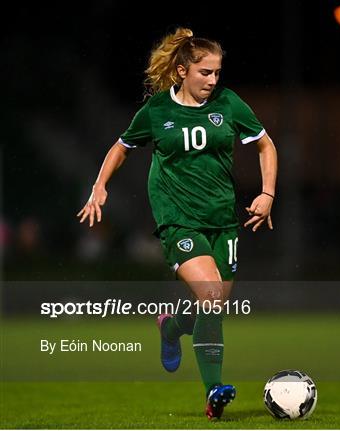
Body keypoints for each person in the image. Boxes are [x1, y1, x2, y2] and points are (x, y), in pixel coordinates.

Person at [77, 27, 278, 419]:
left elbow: (266, 145)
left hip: (223, 221)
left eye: (218, 73)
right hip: (178, 221)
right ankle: (214, 391)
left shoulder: (229, 104)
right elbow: (121, 147)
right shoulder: (157, 112)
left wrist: (267, 194)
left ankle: (171, 328)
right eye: (205, 73)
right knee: (210, 295)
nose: (213, 80)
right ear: (183, 70)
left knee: (213, 305)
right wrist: (99, 186)